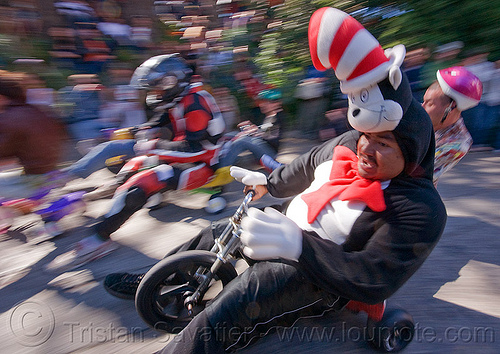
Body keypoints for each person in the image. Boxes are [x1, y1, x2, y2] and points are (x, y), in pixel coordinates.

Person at [105, 8, 446, 353]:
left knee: (246, 296)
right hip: (286, 227)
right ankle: (157, 280)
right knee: (217, 231)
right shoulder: (348, 144)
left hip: (322, 277)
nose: (366, 148)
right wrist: (269, 183)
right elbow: (307, 163)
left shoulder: (420, 209)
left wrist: (299, 246)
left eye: (383, 143)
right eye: (365, 136)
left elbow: (373, 277)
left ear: (411, 151)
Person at [45, 54, 226, 272]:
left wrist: (154, 146)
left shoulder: (196, 101)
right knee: (131, 167)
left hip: (202, 165)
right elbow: (162, 119)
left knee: (145, 181)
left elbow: (198, 150)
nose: (153, 94)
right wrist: (144, 131)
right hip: (185, 157)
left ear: (171, 82)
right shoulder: (182, 97)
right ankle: (103, 199)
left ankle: (99, 239)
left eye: (156, 89)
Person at [0, 71, 65, 201]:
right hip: (51, 174)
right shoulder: (36, 110)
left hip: (36, 183)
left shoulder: (8, 118)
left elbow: (3, 152)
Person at [422, 66, 482, 184]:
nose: (422, 107)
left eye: (429, 103)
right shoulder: (422, 112)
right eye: (424, 101)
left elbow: (414, 172)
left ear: (451, 107)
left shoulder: (457, 143)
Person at [219, 88, 284, 170]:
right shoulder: (267, 115)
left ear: (277, 103)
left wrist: (253, 132)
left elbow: (272, 138)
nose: (262, 105)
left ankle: (222, 168)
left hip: (269, 153)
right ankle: (222, 159)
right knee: (229, 135)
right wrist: (251, 127)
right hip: (261, 145)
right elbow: (262, 129)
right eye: (262, 102)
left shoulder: (278, 117)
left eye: (266, 103)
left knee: (241, 141)